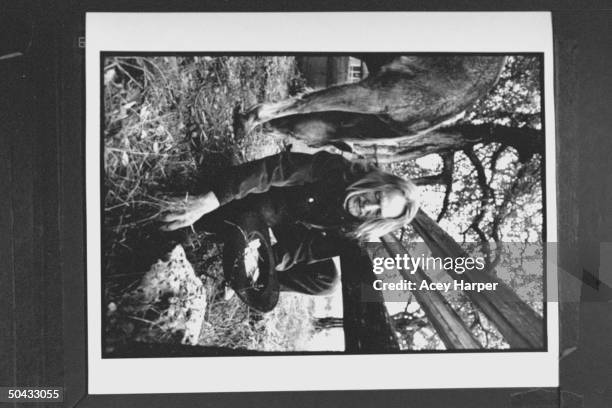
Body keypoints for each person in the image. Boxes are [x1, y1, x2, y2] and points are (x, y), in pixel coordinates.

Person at [159, 150, 419, 309]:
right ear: (376, 181)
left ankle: (250, 279)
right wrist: (211, 199)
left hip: (283, 229)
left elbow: (303, 249)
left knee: (327, 282)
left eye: (377, 212)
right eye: (376, 195)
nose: (368, 205)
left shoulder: (353, 232)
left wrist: (268, 264)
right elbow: (273, 170)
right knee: (254, 213)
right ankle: (225, 232)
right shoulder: (336, 170)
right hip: (264, 203)